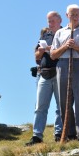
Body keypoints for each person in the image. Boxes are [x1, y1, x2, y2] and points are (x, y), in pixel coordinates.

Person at [50, 4, 79, 140]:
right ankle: (69, 132)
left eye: (77, 14)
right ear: (67, 15)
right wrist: (65, 46)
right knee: (64, 100)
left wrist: (77, 47)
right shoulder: (60, 32)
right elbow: (53, 55)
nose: (74, 17)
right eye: (72, 14)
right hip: (62, 65)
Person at [26, 11, 63, 146]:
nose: (50, 24)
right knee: (40, 107)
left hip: (59, 73)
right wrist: (41, 51)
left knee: (61, 106)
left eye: (52, 21)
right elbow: (36, 56)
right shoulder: (45, 35)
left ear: (59, 20)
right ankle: (37, 136)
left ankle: (59, 134)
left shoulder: (65, 33)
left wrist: (52, 49)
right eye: (48, 21)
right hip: (44, 74)